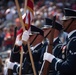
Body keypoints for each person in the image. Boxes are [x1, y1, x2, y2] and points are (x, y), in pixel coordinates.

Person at [43, 8, 76, 75]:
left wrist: (53, 60)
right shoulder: (69, 40)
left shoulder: (74, 40)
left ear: (75, 22)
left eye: (66, 20)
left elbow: (69, 67)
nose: (63, 23)